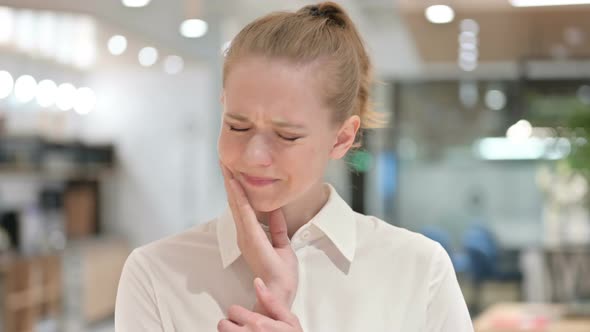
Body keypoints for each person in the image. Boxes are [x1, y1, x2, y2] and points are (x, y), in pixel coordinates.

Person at [115, 2, 474, 331]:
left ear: (342, 138)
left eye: (286, 136)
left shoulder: (417, 268)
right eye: (237, 126)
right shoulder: (156, 273)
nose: (253, 155)